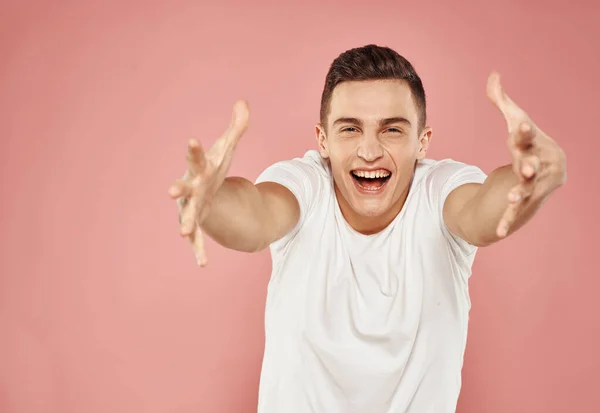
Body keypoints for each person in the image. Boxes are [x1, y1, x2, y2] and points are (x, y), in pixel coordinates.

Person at [168, 45, 567, 413]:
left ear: (422, 142)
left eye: (392, 129)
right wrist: (209, 199)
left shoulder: (441, 188)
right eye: (350, 129)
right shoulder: (304, 184)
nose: (370, 150)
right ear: (322, 140)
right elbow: (255, 216)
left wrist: (531, 177)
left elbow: (482, 210)